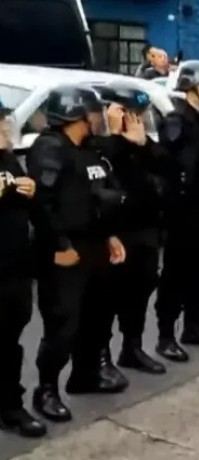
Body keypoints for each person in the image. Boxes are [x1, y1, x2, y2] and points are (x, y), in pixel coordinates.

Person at [27, 84, 127, 422]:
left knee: (97, 316)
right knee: (63, 325)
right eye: (94, 113)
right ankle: (46, 390)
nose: (99, 119)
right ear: (76, 116)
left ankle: (85, 375)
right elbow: (43, 206)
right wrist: (59, 247)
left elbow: (102, 192)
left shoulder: (90, 150)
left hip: (94, 244)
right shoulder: (50, 149)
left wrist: (110, 235)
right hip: (64, 250)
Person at [154, 60, 199, 363]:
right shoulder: (176, 121)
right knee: (175, 273)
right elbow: (166, 164)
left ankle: (194, 326)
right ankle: (165, 335)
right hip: (178, 208)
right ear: (191, 88)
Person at [98, 81, 169, 375]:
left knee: (140, 290)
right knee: (107, 298)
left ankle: (133, 347)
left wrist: (142, 144)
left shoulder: (141, 141)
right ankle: (100, 357)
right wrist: (119, 137)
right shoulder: (100, 142)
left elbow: (165, 166)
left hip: (145, 228)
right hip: (114, 231)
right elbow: (100, 172)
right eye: (130, 112)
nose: (136, 119)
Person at [0, 98, 46, 437]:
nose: (6, 128)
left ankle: (10, 406)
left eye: (6, 121)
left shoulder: (9, 159)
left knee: (9, 341)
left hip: (15, 268)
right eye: (0, 123)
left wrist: (30, 189)